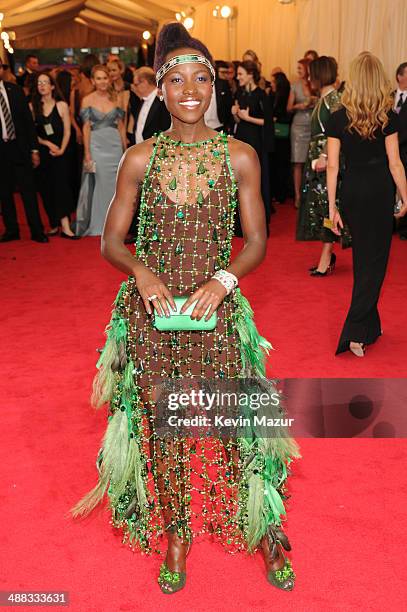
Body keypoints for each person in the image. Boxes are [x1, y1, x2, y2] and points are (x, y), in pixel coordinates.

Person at [70, 22, 300, 594]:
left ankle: (267, 529)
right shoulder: (138, 159)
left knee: (239, 424)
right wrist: (143, 273)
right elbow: (111, 241)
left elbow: (257, 242)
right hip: (151, 320)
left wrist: (223, 282)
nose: (191, 89)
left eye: (202, 78)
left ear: (214, 88)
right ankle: (177, 531)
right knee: (165, 427)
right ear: (161, 90)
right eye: (177, 80)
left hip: (218, 313)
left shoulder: (240, 156)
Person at [326, 52, 407, 357]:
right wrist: (406, 196)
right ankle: (356, 332)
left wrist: (332, 206)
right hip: (378, 190)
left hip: (352, 191)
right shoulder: (388, 117)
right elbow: (395, 163)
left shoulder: (337, 117)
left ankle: (371, 326)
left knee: (365, 260)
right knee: (375, 263)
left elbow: (332, 167)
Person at [297, 56, 351, 273]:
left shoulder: (335, 100)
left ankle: (326, 258)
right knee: (321, 208)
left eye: (311, 73)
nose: (309, 77)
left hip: (326, 160)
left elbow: (337, 132)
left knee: (329, 206)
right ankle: (327, 255)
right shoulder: (325, 98)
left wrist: (325, 157)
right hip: (318, 159)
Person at [74, 65, 126, 236]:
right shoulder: (87, 100)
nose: (102, 81)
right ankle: (100, 224)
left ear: (109, 79)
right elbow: (86, 128)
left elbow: (120, 126)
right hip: (96, 145)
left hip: (115, 146)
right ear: (92, 81)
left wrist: (125, 149)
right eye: (98, 78)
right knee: (100, 184)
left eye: (105, 78)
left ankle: (116, 225)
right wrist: (87, 153)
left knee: (115, 186)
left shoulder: (116, 98)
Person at [0, 62, 48, 243]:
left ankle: (37, 230)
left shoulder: (15, 90)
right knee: (4, 193)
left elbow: (28, 122)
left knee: (29, 192)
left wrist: (34, 149)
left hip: (20, 148)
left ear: (2, 70)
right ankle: (11, 230)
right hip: (1, 151)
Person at [30, 72, 78, 239]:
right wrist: (46, 144)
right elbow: (31, 133)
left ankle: (65, 226)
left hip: (61, 152)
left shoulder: (61, 105)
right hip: (44, 152)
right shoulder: (32, 107)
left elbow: (67, 131)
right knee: (46, 189)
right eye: (39, 83)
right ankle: (54, 223)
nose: (42, 85)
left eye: (45, 82)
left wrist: (62, 149)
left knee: (61, 187)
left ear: (52, 86)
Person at [232, 60, 274, 233]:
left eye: (241, 74)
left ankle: (258, 224)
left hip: (256, 142)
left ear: (250, 75)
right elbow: (237, 121)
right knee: (240, 180)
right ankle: (241, 225)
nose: (237, 77)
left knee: (256, 181)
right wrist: (235, 114)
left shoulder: (262, 94)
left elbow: (268, 122)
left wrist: (248, 118)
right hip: (241, 140)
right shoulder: (241, 94)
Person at [287, 58, 316, 208]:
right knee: (298, 162)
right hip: (298, 126)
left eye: (300, 68)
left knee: (311, 162)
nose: (298, 71)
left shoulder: (315, 84)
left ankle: (310, 195)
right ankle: (298, 196)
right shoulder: (294, 85)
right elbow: (289, 107)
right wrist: (301, 105)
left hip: (312, 125)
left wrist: (313, 101)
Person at [127, 67, 171, 147]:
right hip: (141, 151)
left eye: (136, 84)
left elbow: (166, 128)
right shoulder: (141, 101)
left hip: (156, 151)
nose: (134, 87)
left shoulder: (162, 100)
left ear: (145, 82)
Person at [269, 71, 292, 204]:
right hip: (277, 135)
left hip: (281, 136)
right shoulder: (274, 95)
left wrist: (276, 118)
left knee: (281, 165)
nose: (271, 84)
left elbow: (286, 115)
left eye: (273, 82)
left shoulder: (283, 97)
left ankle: (281, 194)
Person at [394, 62, 407, 239]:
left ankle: (404, 228)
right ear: (399, 76)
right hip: (385, 151)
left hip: (404, 150)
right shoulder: (388, 97)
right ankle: (388, 225)